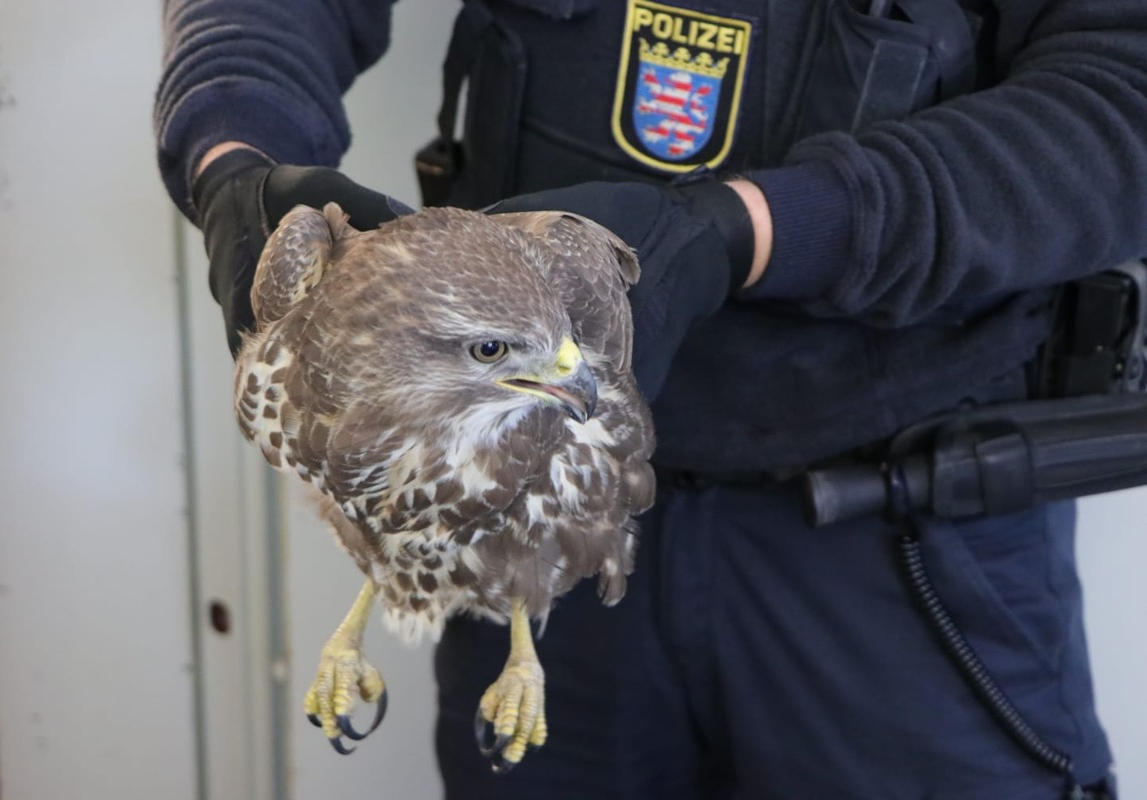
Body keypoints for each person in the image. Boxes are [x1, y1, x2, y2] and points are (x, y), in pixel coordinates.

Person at [154, 1, 1147, 797]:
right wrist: (238, 157)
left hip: (899, 531)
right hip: (527, 520)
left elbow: (1122, 100)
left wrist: (745, 232)